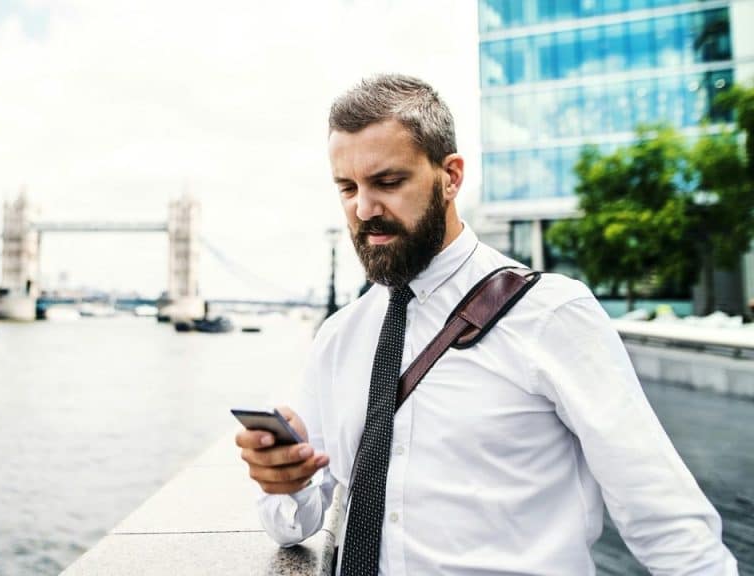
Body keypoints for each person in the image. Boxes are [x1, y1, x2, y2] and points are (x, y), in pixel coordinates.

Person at [235, 74, 738, 575]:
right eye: (348, 188)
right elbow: (295, 524)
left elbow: (663, 515)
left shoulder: (552, 314)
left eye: (388, 182)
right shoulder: (340, 336)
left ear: (450, 176)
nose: (364, 209)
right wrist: (284, 481)